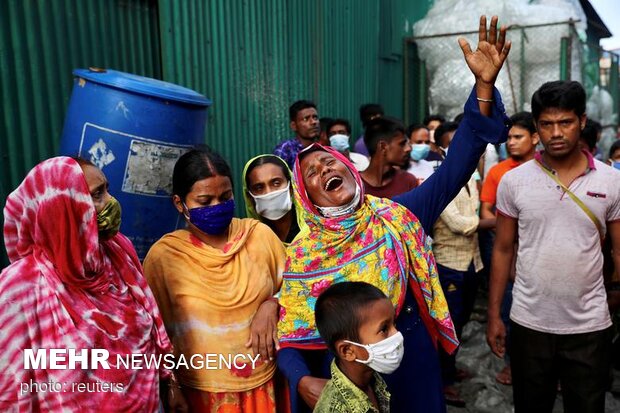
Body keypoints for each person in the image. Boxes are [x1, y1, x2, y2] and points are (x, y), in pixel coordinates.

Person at [276, 16, 512, 413]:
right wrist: (302, 381)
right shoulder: (303, 254)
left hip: (412, 357)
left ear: (349, 168)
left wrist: (484, 88)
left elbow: (457, 165)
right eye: (312, 173)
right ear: (307, 198)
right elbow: (289, 340)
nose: (325, 170)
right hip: (349, 379)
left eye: (330, 162)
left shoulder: (396, 215)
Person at [487, 80, 620, 413]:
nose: (556, 132)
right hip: (529, 321)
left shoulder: (610, 181)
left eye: (566, 122)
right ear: (536, 128)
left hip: (590, 326)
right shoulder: (513, 182)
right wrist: (493, 316)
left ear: (582, 122)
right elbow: (503, 249)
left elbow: (619, 251)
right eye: (546, 124)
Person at [0, 157, 171, 412]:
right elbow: (13, 387)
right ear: (62, 209)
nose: (111, 202)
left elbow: (150, 330)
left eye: (107, 189)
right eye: (97, 194)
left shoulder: (118, 253)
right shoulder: (20, 287)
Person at [143, 149, 286, 412]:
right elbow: (154, 333)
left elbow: (298, 289)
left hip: (266, 384)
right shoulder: (165, 258)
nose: (217, 207)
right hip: (200, 392)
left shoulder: (259, 236)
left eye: (225, 197)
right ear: (179, 203)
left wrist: (272, 303)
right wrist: (171, 386)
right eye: (204, 200)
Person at [479, 111, 539, 386]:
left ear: (535, 138)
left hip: (539, 248)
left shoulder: (547, 169)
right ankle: (514, 365)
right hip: (505, 246)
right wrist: (510, 224)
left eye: (518, 137)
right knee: (509, 305)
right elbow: (486, 211)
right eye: (509, 138)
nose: (511, 143)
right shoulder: (499, 172)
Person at [313, 282, 399, 413]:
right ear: (347, 351)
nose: (396, 334)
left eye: (394, 324)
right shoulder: (335, 409)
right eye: (384, 329)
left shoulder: (372, 379)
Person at [242, 154, 307, 244]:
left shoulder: (314, 229)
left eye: (276, 183)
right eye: (259, 187)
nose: (269, 192)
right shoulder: (249, 241)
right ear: (249, 197)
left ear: (291, 188)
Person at [360, 117, 418, 199]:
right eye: (402, 144)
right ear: (383, 147)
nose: (409, 148)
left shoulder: (408, 181)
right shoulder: (356, 185)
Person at [274, 100, 320, 168]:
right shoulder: (286, 149)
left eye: (315, 117)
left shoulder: (322, 148)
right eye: (306, 119)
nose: (313, 122)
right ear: (294, 126)